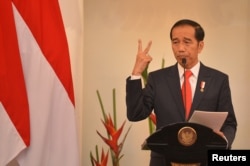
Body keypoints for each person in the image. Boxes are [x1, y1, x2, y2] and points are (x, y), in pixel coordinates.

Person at [126, 19, 237, 166]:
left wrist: (224, 141)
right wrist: (136, 73)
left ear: (200, 45)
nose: (180, 48)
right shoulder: (157, 79)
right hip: (164, 160)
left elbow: (229, 123)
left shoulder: (218, 80)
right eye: (175, 42)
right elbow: (135, 114)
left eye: (187, 42)